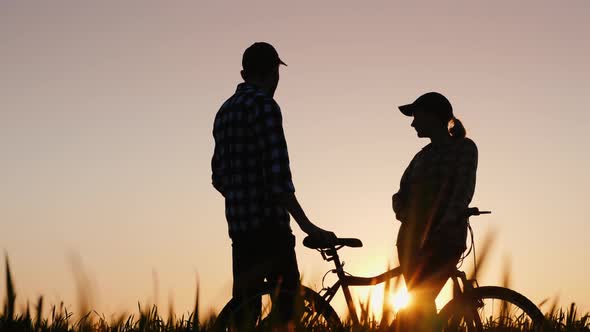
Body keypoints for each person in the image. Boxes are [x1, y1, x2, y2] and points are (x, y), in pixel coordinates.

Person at [211, 42, 336, 331]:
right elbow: (278, 177)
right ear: (274, 72)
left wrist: (242, 198)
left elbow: (219, 177)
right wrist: (308, 225)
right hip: (270, 227)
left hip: (240, 228)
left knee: (244, 310)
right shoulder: (265, 106)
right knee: (288, 308)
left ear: (244, 73)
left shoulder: (224, 111)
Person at [392, 92, 478, 331]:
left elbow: (462, 192)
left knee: (420, 303)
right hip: (410, 242)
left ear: (432, 116)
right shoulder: (421, 157)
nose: (412, 123)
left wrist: (441, 228)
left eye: (416, 116)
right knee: (420, 306)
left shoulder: (464, 148)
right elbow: (399, 195)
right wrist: (405, 215)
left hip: (444, 240)